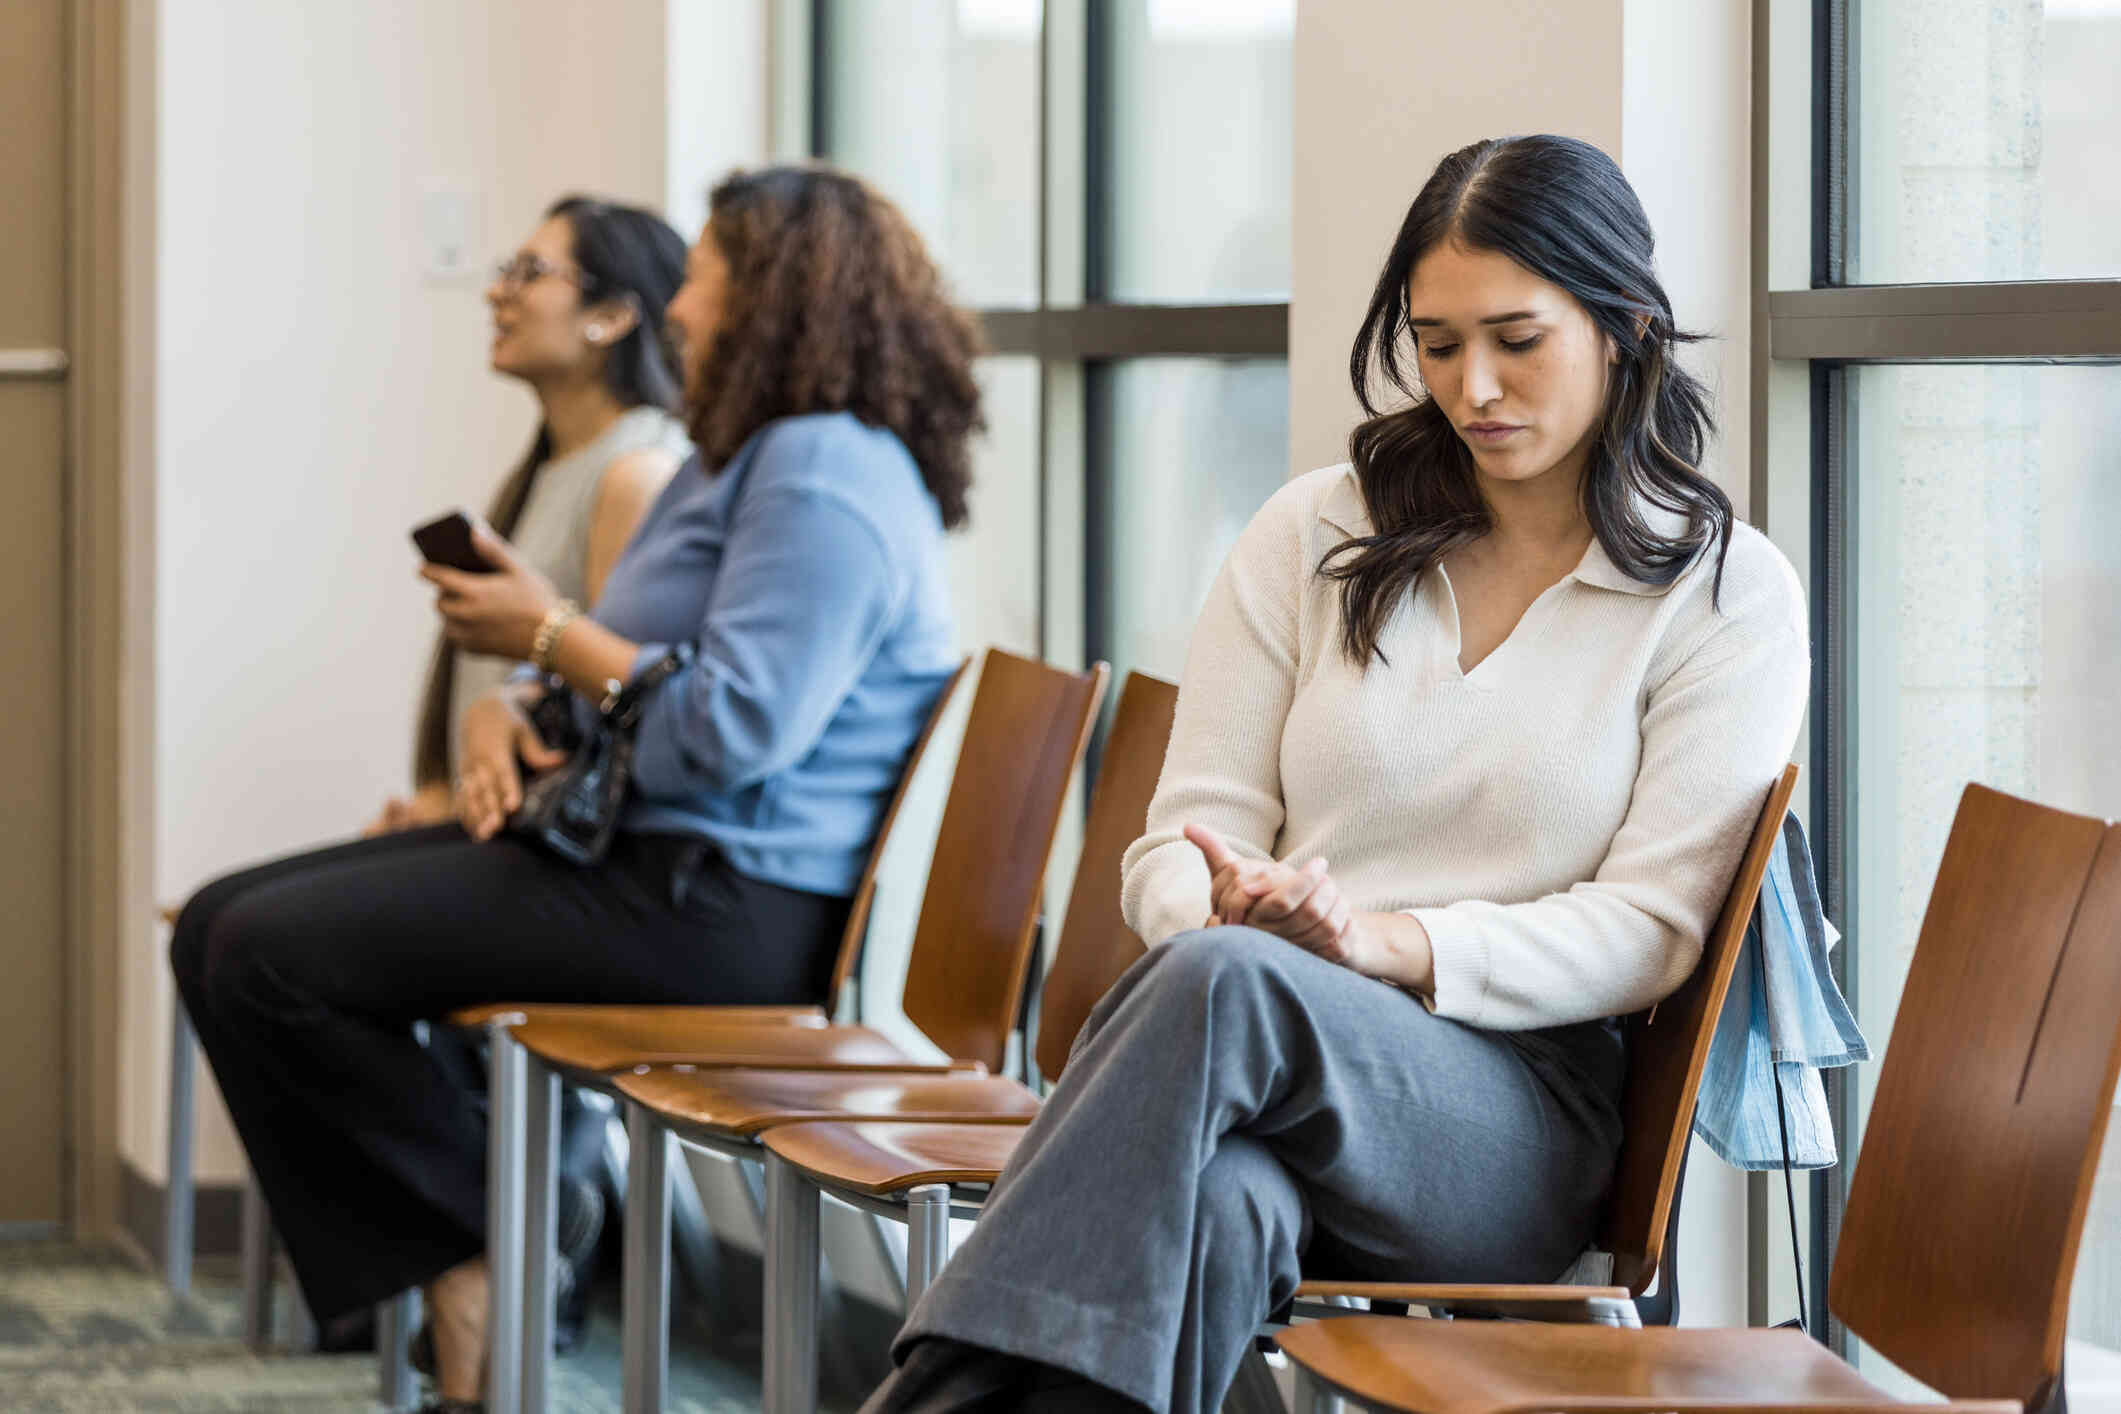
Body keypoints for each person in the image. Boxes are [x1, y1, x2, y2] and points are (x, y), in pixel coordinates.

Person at [862, 135, 1810, 1414]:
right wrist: (1235, 908)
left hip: (1512, 1112)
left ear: (1626, 324)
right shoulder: (1318, 530)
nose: (1473, 385)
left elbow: (1650, 932)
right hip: (1253, 1045)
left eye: (1517, 339)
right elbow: (1178, 839)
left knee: (1224, 986)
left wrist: (1381, 943)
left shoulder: (1721, 591)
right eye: (1435, 342)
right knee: (1220, 1199)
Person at [169, 164, 982, 1413]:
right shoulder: (741, 458)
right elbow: (633, 671)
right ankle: (473, 1244)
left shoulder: (828, 468)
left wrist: (545, 640)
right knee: (226, 926)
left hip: (721, 902)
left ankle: (470, 1257)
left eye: (704, 275)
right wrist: (519, 711)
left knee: (261, 953)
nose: (685, 306)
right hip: (636, 856)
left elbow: (730, 726)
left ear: (774, 296)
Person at [369, 194, 691, 837]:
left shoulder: (637, 473)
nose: (496, 295)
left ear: (610, 316)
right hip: (489, 824)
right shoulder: (544, 471)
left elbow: (611, 705)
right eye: (503, 270)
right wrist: (439, 797)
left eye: (529, 273)